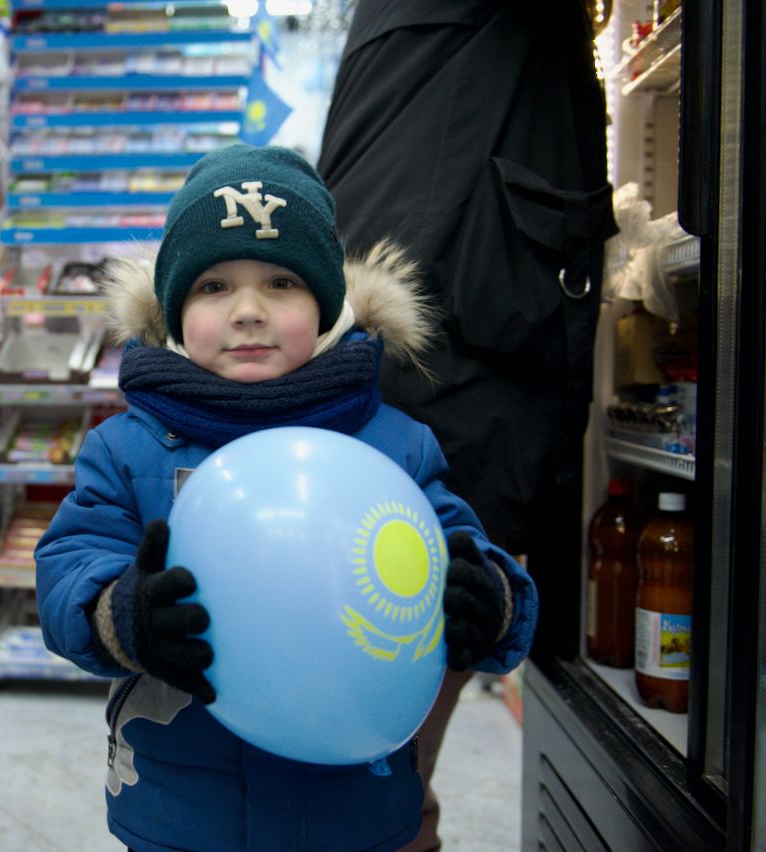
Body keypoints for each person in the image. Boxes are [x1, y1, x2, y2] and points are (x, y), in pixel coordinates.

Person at [34, 144, 537, 850]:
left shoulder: (395, 446)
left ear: (325, 302)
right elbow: (67, 570)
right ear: (174, 310)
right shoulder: (127, 449)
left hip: (355, 811)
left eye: (280, 282)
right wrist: (123, 615)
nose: (248, 311)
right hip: (186, 815)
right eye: (213, 286)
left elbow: (464, 550)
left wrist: (489, 600)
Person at [315, 4, 616, 848]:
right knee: (416, 603)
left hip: (422, 217)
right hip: (457, 241)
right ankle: (392, 820)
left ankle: (394, 814)